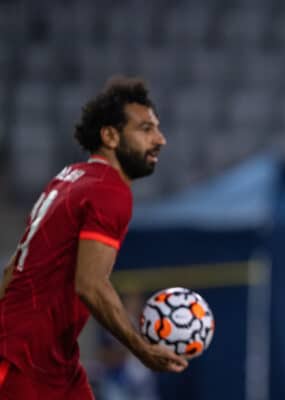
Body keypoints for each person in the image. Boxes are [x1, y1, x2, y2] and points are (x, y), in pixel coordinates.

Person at [0, 77, 188, 399]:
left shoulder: (68, 178)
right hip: (23, 361)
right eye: (145, 129)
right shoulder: (109, 190)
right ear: (110, 136)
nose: (160, 139)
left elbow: (11, 270)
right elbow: (90, 284)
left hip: (53, 360)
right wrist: (141, 349)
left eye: (157, 128)